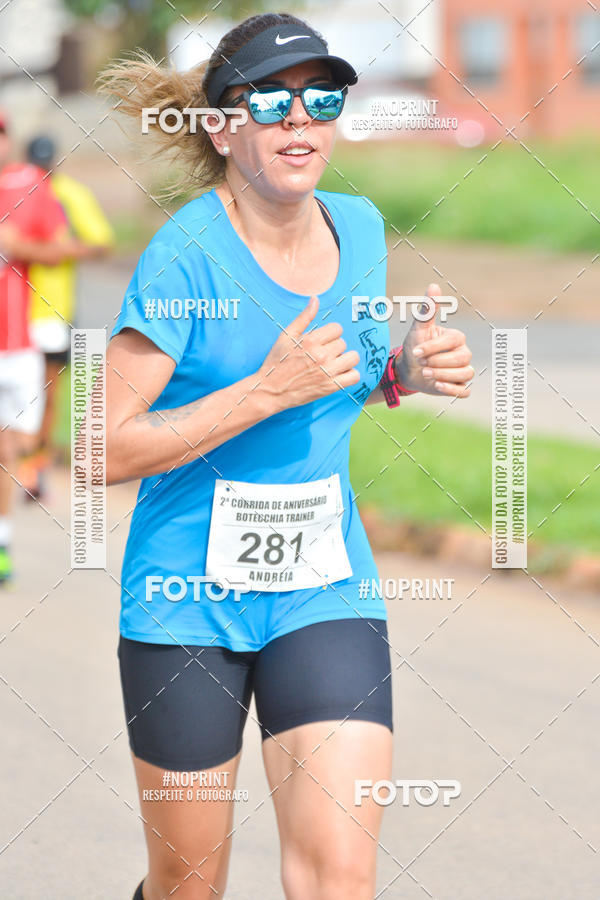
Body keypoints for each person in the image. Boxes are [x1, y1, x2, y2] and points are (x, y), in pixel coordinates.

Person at [101, 12, 474, 900]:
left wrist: (403, 369)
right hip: (186, 605)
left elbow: (340, 367)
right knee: (189, 884)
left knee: (337, 876)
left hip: (323, 588)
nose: (298, 119)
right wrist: (263, 390)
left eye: (321, 98)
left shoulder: (361, 226)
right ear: (224, 126)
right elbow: (98, 448)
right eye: (270, 100)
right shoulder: (186, 256)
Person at [0, 112, 95, 581]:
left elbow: (76, 245)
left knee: (23, 426)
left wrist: (19, 246)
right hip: (30, 330)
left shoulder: (38, 190)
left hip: (30, 328)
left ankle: (4, 540)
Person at [19, 135, 114, 500]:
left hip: (53, 311)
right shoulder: (13, 191)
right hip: (13, 312)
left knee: (47, 393)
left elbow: (102, 241)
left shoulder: (69, 194)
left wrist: (62, 251)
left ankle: (35, 468)